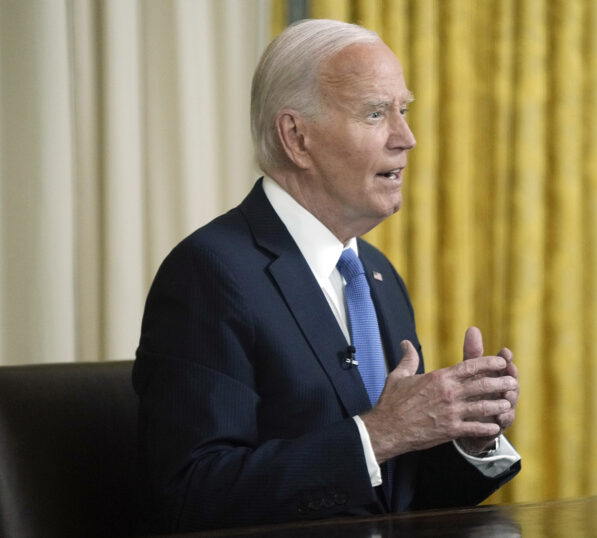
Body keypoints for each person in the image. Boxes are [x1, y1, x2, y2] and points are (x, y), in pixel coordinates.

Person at [133, 19, 521, 534]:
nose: (406, 138)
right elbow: (194, 494)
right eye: (375, 114)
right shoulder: (210, 274)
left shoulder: (377, 274)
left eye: (402, 111)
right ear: (297, 137)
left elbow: (397, 503)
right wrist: (380, 432)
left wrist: (467, 437)